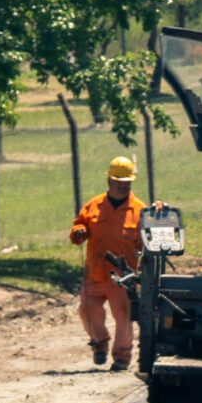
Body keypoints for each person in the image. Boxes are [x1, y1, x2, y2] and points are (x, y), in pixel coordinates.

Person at [69, 156, 144, 372]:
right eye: (118, 181)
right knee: (87, 311)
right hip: (94, 273)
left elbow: (148, 241)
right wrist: (78, 232)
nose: (122, 185)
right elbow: (79, 225)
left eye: (126, 182)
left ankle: (122, 357)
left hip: (122, 277)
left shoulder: (139, 210)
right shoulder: (93, 205)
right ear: (109, 181)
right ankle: (99, 344)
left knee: (123, 318)